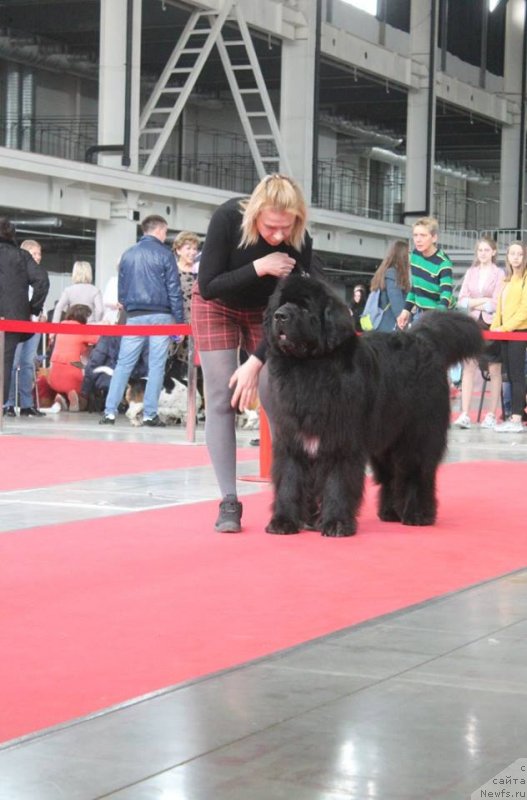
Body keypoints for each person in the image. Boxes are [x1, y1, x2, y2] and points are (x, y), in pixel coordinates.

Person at [192, 172, 319, 533]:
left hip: (270, 312)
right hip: (216, 303)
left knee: (275, 396)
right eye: (271, 227)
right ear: (255, 214)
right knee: (220, 398)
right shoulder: (228, 218)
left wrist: (256, 360)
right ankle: (229, 501)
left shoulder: (299, 240)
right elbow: (209, 285)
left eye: (286, 228)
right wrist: (259, 266)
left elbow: (294, 304)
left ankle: (294, 498)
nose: (279, 236)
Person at [99, 214, 184, 427]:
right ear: (159, 230)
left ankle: (109, 413)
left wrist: (129, 306)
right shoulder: (166, 255)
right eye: (165, 232)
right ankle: (149, 414)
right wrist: (180, 321)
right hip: (161, 315)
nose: (166, 236)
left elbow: (122, 292)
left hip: (135, 316)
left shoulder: (127, 255)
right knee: (156, 366)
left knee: (123, 364)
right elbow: (174, 289)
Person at [453, 236, 504, 430]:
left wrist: (477, 301)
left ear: (493, 252)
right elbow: (462, 301)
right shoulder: (470, 272)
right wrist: (483, 300)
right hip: (472, 323)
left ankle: (491, 414)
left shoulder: (499, 273)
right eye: (480, 250)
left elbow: (496, 302)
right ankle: (464, 413)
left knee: (494, 368)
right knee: (469, 366)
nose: (482, 253)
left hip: (493, 324)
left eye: (486, 250)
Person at [0, 218, 49, 409]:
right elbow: (42, 282)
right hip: (14, 319)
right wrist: (32, 308)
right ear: (12, 234)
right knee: (5, 362)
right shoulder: (22, 256)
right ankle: (2, 405)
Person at [490, 240, 527, 433]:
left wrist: (504, 328)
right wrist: (495, 327)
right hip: (505, 332)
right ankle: (512, 416)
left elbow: (524, 312)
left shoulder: (526, 279)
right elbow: (500, 309)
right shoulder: (507, 279)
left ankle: (517, 418)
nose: (516, 257)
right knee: (509, 376)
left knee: (518, 376)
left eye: (519, 254)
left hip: (519, 333)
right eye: (512, 253)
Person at [397, 216, 453, 329]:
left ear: (434, 238)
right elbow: (415, 287)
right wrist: (405, 310)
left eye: (423, 235)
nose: (418, 239)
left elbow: (446, 294)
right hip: (420, 314)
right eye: (415, 235)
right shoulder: (414, 256)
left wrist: (437, 319)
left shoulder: (443, 262)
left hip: (440, 316)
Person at [46, 304, 100, 411]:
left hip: (53, 375)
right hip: (72, 375)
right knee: (88, 373)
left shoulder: (61, 326)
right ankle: (76, 399)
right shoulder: (81, 329)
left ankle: (62, 398)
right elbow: (98, 338)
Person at [368, 240, 410, 332]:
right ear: (403, 256)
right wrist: (404, 324)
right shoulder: (392, 273)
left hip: (382, 326)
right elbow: (396, 302)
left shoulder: (384, 272)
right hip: (389, 327)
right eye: (409, 253)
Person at [171, 230, 200, 365]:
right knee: (173, 364)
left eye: (195, 248)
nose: (193, 252)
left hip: (197, 324)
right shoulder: (171, 272)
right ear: (178, 250)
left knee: (195, 366)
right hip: (176, 322)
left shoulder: (200, 272)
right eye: (188, 248)